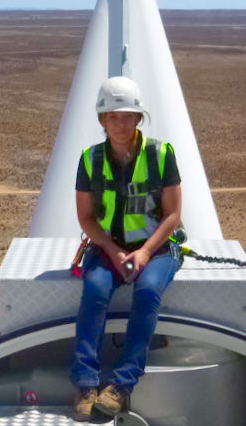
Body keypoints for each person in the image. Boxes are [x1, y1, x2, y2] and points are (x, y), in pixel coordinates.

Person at [71, 76, 182, 422]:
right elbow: (86, 217)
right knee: (95, 290)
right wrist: (112, 250)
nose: (121, 123)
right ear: (102, 121)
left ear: (139, 119)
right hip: (108, 247)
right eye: (113, 116)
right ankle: (87, 384)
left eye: (128, 116)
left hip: (158, 247)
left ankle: (121, 384)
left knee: (148, 293)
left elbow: (174, 215)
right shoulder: (90, 159)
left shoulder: (161, 155)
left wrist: (146, 252)